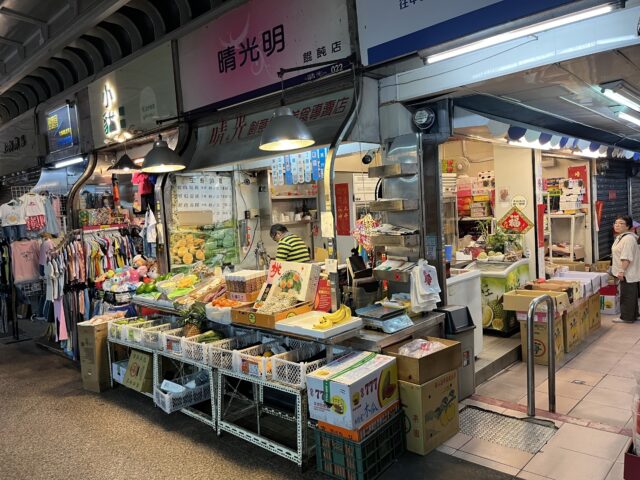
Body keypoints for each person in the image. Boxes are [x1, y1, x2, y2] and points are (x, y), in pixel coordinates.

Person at [612, 215, 640, 322]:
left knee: (627, 295)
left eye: (621, 223)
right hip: (627, 272)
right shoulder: (621, 237)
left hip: (627, 272)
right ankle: (634, 315)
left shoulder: (628, 239)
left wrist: (621, 271)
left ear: (628, 226)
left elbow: (626, 257)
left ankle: (627, 318)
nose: (617, 225)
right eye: (616, 223)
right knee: (631, 294)